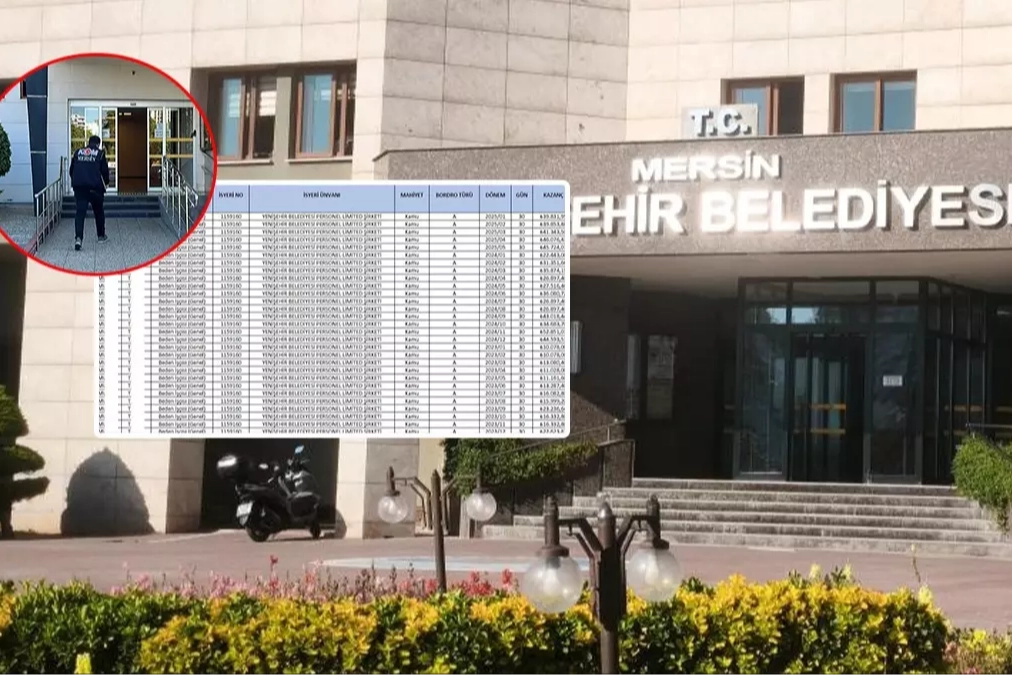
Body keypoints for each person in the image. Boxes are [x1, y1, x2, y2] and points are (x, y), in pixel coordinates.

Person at [68, 135, 109, 251]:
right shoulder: (100, 154)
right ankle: (101, 236)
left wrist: (76, 181)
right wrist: (106, 183)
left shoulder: (78, 153)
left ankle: (78, 239)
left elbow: (71, 170)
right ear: (98, 144)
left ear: (88, 142)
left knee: (80, 214)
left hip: (80, 188)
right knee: (99, 212)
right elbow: (105, 172)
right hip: (95, 189)